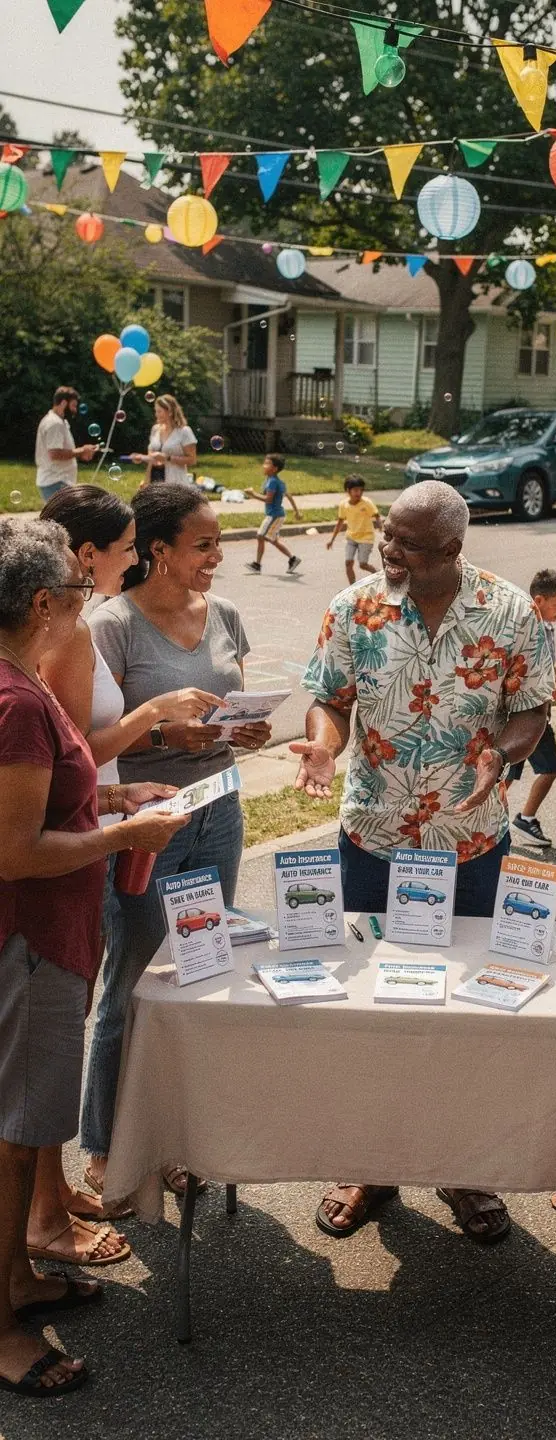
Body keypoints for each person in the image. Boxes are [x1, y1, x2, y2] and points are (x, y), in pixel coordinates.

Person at [293, 480, 552, 1244]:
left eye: (407, 542)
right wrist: (325, 744)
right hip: (374, 841)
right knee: (371, 1009)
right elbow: (330, 698)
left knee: (466, 1011)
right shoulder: (354, 608)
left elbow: (532, 709)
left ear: (452, 548)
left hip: (470, 846)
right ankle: (371, 1163)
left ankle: (462, 1166)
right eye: (388, 535)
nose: (389, 549)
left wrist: (502, 754)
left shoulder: (510, 612)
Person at [0, 517, 187, 1397]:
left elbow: (44, 807)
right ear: (42, 602)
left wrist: (111, 800)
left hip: (43, 941)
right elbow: (16, 850)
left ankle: (17, 1280)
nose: (86, 605)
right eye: (77, 593)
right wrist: (125, 836)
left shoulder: (23, 685)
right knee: (16, 1140)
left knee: (24, 1129)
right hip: (31, 944)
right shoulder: (17, 701)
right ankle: (1, 1331)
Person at [30, 485, 222, 1245]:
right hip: (78, 843)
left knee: (65, 1022)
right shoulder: (78, 633)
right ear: (87, 556)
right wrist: (152, 718)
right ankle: (50, 1206)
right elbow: (72, 754)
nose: (136, 557)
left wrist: (116, 798)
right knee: (63, 1025)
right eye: (127, 547)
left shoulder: (76, 624)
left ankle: (52, 1192)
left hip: (104, 820)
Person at [80, 484, 269, 1204]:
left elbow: (232, 704)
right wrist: (164, 735)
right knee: (131, 982)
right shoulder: (111, 624)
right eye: (204, 545)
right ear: (157, 550)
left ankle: (178, 1137)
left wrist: (246, 730)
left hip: (219, 813)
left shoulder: (225, 614)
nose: (218, 557)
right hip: (145, 825)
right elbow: (92, 741)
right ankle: (106, 1143)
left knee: (199, 970)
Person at [509, 569, 556, 847]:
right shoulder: (529, 628)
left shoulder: (545, 624)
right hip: (525, 712)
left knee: (539, 769)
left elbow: (548, 663)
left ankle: (523, 818)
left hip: (537, 710)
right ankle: (498, 822)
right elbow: (536, 672)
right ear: (539, 600)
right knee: (511, 774)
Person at [34, 387, 97, 502]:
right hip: (55, 481)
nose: (75, 410)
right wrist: (82, 450)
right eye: (73, 406)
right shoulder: (54, 423)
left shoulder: (60, 421)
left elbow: (60, 451)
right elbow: (55, 454)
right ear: (63, 403)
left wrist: (81, 453)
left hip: (58, 481)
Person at [244, 454, 301, 574]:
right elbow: (288, 496)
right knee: (272, 540)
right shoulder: (274, 481)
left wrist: (253, 494)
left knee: (261, 536)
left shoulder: (273, 482)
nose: (263, 466)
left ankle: (257, 565)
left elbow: (268, 500)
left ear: (274, 469)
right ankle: (292, 559)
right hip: (276, 515)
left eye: (267, 464)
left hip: (274, 515)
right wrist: (296, 511)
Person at [326, 474, 382, 585]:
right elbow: (340, 523)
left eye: (361, 490)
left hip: (366, 538)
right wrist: (331, 540)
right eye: (356, 490)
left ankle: (380, 576)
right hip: (351, 537)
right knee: (348, 563)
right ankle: (352, 587)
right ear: (348, 490)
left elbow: (376, 515)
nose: (359, 493)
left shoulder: (366, 503)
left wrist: (381, 526)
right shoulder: (344, 505)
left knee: (363, 564)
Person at [130, 394, 196, 485]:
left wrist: (168, 458)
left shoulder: (184, 431)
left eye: (159, 411)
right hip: (154, 482)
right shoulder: (155, 429)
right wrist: (141, 458)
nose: (156, 414)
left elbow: (192, 460)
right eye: (155, 411)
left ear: (170, 411)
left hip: (176, 483)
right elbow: (152, 458)